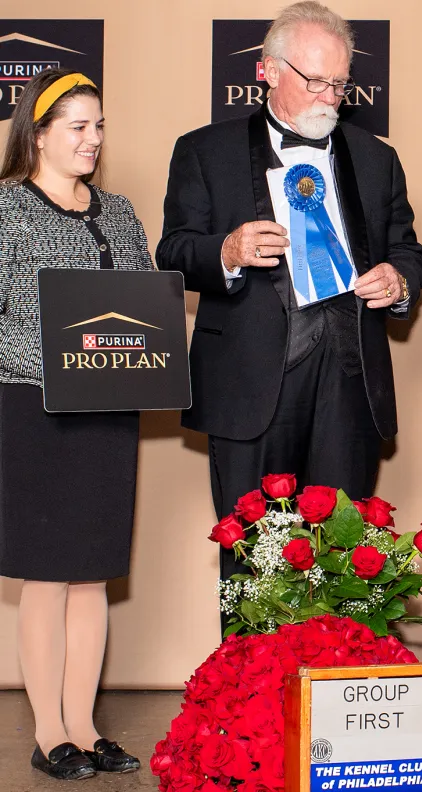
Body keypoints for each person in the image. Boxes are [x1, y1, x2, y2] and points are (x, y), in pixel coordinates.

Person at [157, 1, 422, 586]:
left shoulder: (378, 159)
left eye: (340, 82)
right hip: (252, 383)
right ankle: (249, 678)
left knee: (347, 561)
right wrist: (225, 251)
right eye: (316, 81)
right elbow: (174, 251)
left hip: (350, 382)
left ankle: (335, 675)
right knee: (254, 562)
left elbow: (407, 248)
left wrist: (399, 280)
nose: (330, 96)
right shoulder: (204, 151)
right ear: (268, 71)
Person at [0, 69, 150, 779]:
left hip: (109, 408)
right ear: (37, 133)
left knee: (92, 575)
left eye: (98, 126)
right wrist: (51, 356)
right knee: (47, 577)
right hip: (33, 408)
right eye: (77, 127)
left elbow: (145, 305)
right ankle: (49, 731)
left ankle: (87, 728)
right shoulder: (5, 211)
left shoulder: (119, 212)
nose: (93, 139)